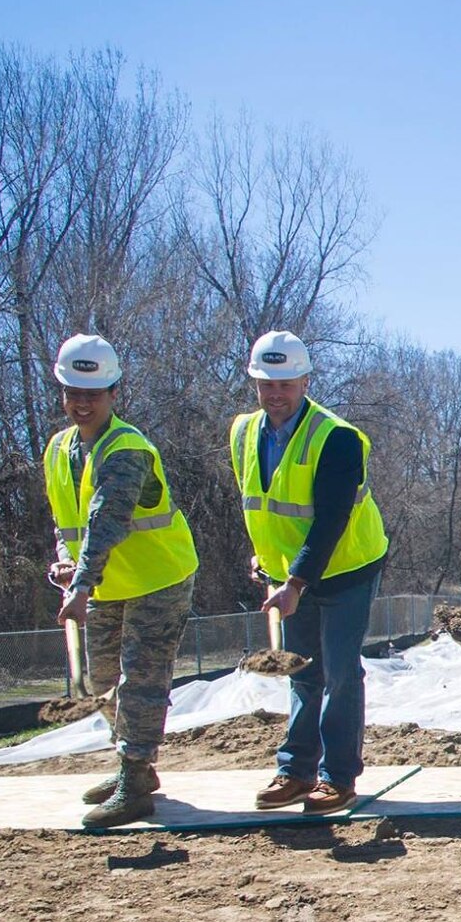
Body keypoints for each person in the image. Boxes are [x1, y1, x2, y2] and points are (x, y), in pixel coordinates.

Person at [43, 334, 199, 828]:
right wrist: (67, 562)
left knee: (141, 678)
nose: (82, 403)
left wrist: (81, 585)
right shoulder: (59, 450)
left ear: (113, 393)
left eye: (93, 393)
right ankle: (136, 766)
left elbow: (108, 521)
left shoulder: (127, 449)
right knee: (103, 680)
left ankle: (134, 781)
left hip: (158, 577)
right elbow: (67, 523)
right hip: (108, 584)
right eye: (74, 393)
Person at [230, 330, 389, 815]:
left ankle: (337, 778)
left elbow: (330, 520)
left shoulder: (336, 438)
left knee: (340, 672)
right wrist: (267, 559)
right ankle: (296, 770)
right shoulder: (242, 432)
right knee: (301, 672)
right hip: (288, 579)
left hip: (346, 569)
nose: (276, 394)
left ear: (305, 381)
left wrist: (296, 582)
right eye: (266, 384)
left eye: (286, 383)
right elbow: (260, 501)